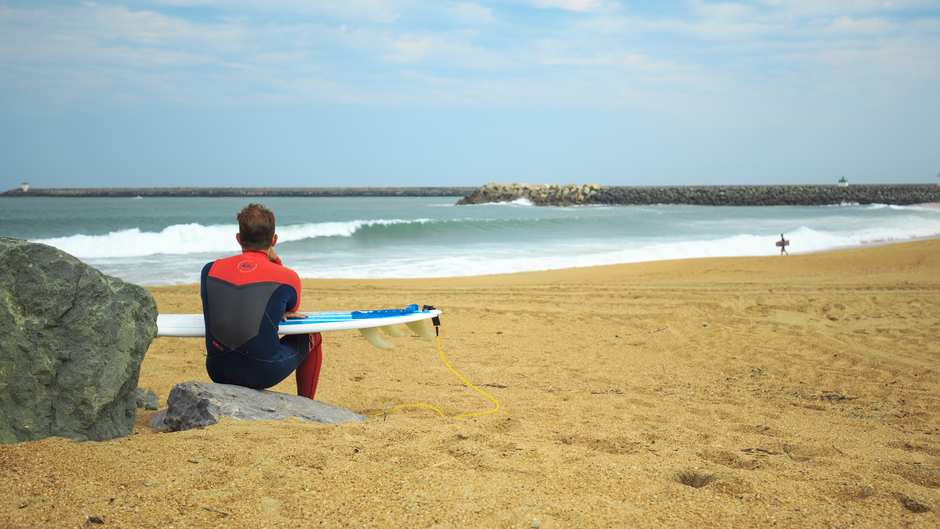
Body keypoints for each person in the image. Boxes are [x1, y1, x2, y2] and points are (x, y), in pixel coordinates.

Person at [200, 203, 323, 399]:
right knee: (313, 336)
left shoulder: (209, 270)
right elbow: (292, 307)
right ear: (274, 240)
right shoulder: (288, 276)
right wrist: (276, 263)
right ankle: (307, 404)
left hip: (218, 370)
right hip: (263, 372)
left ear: (239, 239)